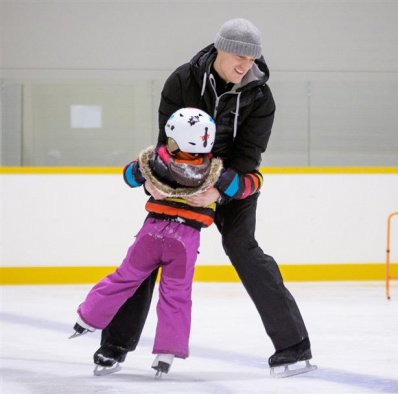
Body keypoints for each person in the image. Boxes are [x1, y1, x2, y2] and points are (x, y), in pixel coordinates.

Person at [91, 18, 314, 379]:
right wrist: (158, 181)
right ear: (220, 49)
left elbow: (248, 156)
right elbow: (166, 142)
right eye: (239, 56)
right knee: (148, 251)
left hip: (226, 180)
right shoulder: (182, 79)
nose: (246, 65)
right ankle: (114, 345)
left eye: (252, 58)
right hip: (179, 176)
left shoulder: (260, 96)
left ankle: (294, 346)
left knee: (243, 248)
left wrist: (217, 191)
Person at [70, 108, 222, 378]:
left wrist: (144, 174)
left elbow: (129, 176)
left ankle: (88, 318)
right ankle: (167, 352)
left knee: (124, 278)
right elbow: (245, 186)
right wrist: (222, 193)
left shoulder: (155, 161)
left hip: (151, 233)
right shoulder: (213, 172)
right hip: (185, 240)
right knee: (177, 295)